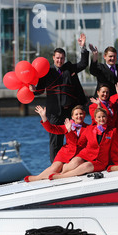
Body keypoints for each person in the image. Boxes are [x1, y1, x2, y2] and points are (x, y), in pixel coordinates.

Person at [31, 33, 89, 163]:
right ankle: (55, 165)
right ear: (53, 58)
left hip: (69, 111)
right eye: (57, 58)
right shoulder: (46, 71)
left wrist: (83, 47)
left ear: (64, 58)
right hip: (54, 112)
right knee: (55, 141)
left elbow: (83, 64)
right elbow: (40, 90)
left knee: (72, 139)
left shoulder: (69, 68)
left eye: (62, 58)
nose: (59, 60)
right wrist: (33, 90)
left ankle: (71, 163)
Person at [49, 108, 118, 180]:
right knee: (75, 161)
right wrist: (69, 131)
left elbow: (114, 150)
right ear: (95, 119)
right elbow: (78, 143)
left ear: (107, 118)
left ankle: (61, 176)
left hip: (100, 161)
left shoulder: (113, 131)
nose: (101, 119)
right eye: (99, 117)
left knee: (86, 166)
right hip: (86, 156)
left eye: (103, 116)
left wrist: (116, 165)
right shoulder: (89, 129)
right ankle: (61, 172)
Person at [24, 105, 88, 182]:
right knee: (54, 168)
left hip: (79, 155)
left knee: (75, 163)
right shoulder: (67, 126)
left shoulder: (89, 128)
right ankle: (36, 178)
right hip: (65, 153)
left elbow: (78, 142)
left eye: (81, 114)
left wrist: (69, 131)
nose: (79, 116)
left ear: (84, 114)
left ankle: (61, 173)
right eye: (76, 114)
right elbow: (51, 129)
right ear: (72, 117)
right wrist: (44, 117)